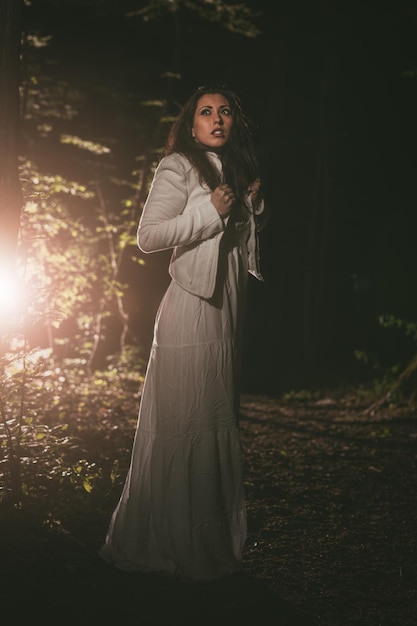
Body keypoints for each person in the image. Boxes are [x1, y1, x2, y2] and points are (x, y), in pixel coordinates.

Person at [99, 83, 267, 582]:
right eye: (205, 112)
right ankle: (170, 541)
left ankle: (209, 540)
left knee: (214, 417)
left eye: (225, 111)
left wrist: (251, 208)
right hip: (190, 308)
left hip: (227, 308)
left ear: (234, 121)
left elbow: (240, 247)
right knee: (183, 420)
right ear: (190, 124)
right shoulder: (178, 166)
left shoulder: (235, 170)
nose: (217, 119)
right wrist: (207, 211)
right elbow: (148, 237)